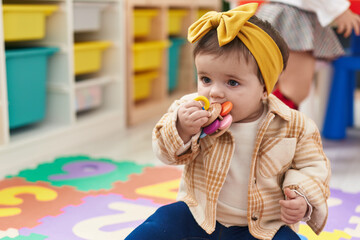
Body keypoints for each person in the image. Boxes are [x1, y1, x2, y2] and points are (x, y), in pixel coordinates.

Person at [125, 3, 331, 240]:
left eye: (232, 82)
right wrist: (182, 128)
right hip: (198, 215)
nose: (214, 92)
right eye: (205, 79)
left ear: (265, 87)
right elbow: (165, 152)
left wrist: (302, 198)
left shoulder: (295, 126)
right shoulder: (188, 111)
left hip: (262, 226)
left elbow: (313, 167)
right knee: (158, 225)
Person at [255, 0, 360, 109]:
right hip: (292, 16)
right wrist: (339, 10)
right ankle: (281, 121)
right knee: (294, 88)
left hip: (279, 11)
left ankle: (276, 118)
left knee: (271, 83)